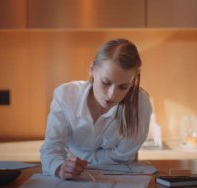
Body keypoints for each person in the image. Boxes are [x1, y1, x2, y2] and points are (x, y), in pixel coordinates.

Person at [40, 38, 152, 179]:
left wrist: (77, 156)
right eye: (106, 83)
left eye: (123, 87)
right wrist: (60, 168)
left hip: (119, 180)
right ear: (92, 70)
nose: (112, 94)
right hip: (73, 180)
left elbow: (122, 157)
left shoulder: (140, 103)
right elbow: (51, 148)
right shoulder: (66, 96)